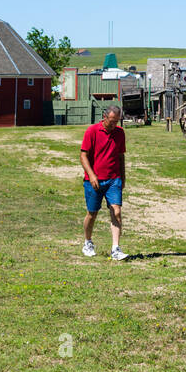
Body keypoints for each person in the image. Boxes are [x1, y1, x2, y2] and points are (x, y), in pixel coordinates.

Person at [80, 104, 127, 260]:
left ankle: (116, 249)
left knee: (117, 212)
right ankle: (88, 242)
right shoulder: (92, 131)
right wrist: (92, 175)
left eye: (117, 121)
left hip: (114, 179)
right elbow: (83, 156)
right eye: (112, 121)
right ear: (105, 117)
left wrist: (123, 177)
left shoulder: (120, 133)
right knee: (92, 214)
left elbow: (121, 157)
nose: (115, 125)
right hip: (94, 180)